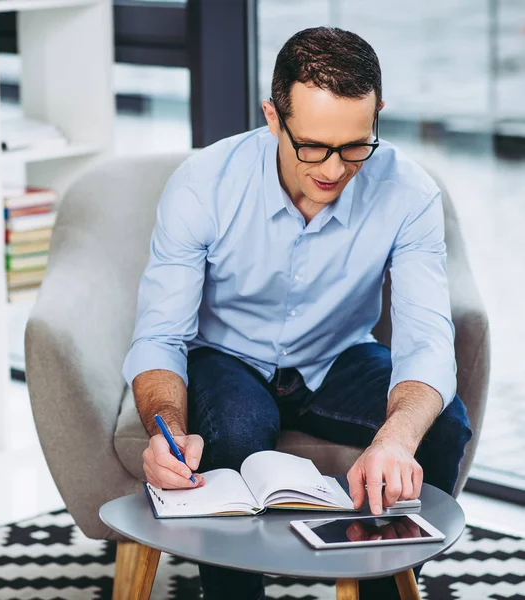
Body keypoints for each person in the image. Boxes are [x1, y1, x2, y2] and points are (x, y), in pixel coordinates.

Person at [123, 26, 473, 600]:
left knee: (443, 424)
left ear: (377, 114)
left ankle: (384, 587)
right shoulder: (203, 185)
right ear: (271, 116)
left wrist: (396, 439)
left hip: (334, 356)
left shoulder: (409, 194)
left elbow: (427, 340)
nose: (333, 169)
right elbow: (161, 335)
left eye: (355, 145)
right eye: (311, 146)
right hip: (226, 355)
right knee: (235, 431)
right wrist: (169, 429)